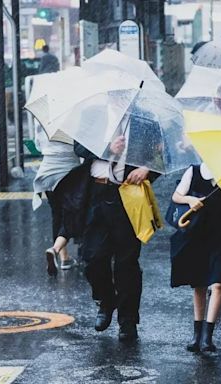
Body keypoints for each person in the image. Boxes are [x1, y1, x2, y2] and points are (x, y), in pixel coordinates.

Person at [74, 119, 161, 342]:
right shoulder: (94, 113)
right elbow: (79, 146)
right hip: (97, 192)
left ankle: (128, 320)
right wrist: (107, 148)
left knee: (127, 261)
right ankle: (105, 300)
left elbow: (161, 155)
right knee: (92, 257)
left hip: (128, 194)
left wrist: (147, 169)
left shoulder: (145, 121)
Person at [170, 163, 221, 352]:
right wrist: (190, 200)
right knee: (199, 284)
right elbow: (176, 196)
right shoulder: (194, 171)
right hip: (198, 235)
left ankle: (207, 336)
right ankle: (197, 333)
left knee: (218, 283)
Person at [33, 139, 84, 275]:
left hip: (47, 172)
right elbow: (81, 149)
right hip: (68, 171)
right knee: (72, 213)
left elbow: (38, 145)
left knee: (56, 213)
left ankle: (63, 257)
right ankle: (60, 250)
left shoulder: (46, 123)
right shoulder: (73, 123)